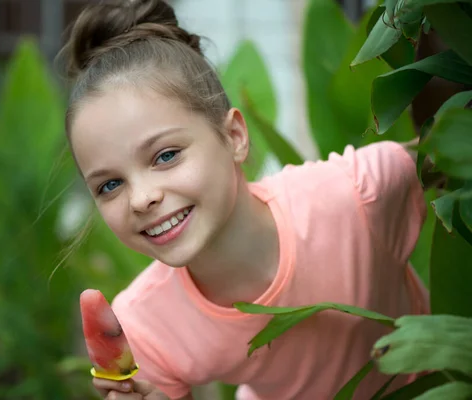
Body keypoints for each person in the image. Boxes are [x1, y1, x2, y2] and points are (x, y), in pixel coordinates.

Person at [58, 1, 433, 398]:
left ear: (234, 136)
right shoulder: (143, 326)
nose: (141, 198)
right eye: (110, 185)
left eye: (166, 156)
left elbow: (456, 155)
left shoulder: (358, 195)